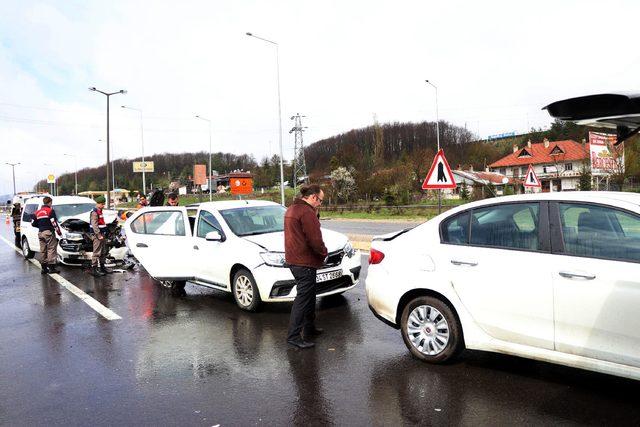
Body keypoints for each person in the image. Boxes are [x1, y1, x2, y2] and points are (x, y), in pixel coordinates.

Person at [284, 184, 328, 349]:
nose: (320, 205)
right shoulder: (306, 212)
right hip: (304, 261)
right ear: (313, 197)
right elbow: (315, 240)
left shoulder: (291, 209)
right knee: (303, 298)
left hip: (295, 260)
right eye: (320, 201)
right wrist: (323, 253)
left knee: (309, 295)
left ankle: (309, 327)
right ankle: (294, 336)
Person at [31, 196, 62, 274]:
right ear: (49, 203)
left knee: (43, 250)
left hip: (40, 233)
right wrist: (59, 233)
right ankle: (52, 268)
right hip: (48, 232)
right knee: (51, 249)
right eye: (51, 203)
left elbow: (32, 223)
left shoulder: (37, 212)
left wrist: (41, 226)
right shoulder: (50, 211)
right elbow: (54, 223)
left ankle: (44, 268)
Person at [89, 196, 112, 277]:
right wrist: (98, 235)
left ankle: (102, 267)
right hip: (97, 235)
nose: (103, 206)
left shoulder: (100, 211)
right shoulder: (94, 212)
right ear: (98, 204)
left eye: (104, 204)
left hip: (102, 234)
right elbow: (94, 225)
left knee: (103, 251)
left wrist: (106, 230)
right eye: (102, 204)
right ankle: (94, 269)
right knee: (97, 252)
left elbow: (102, 223)